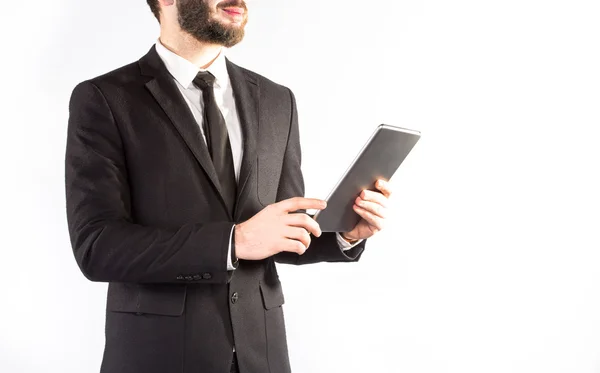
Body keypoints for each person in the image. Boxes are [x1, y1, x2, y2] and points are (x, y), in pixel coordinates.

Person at [64, 1, 393, 372]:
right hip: (158, 355)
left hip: (261, 356)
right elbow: (97, 247)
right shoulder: (105, 99)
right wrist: (232, 242)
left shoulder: (276, 100)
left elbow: (275, 232)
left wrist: (345, 233)